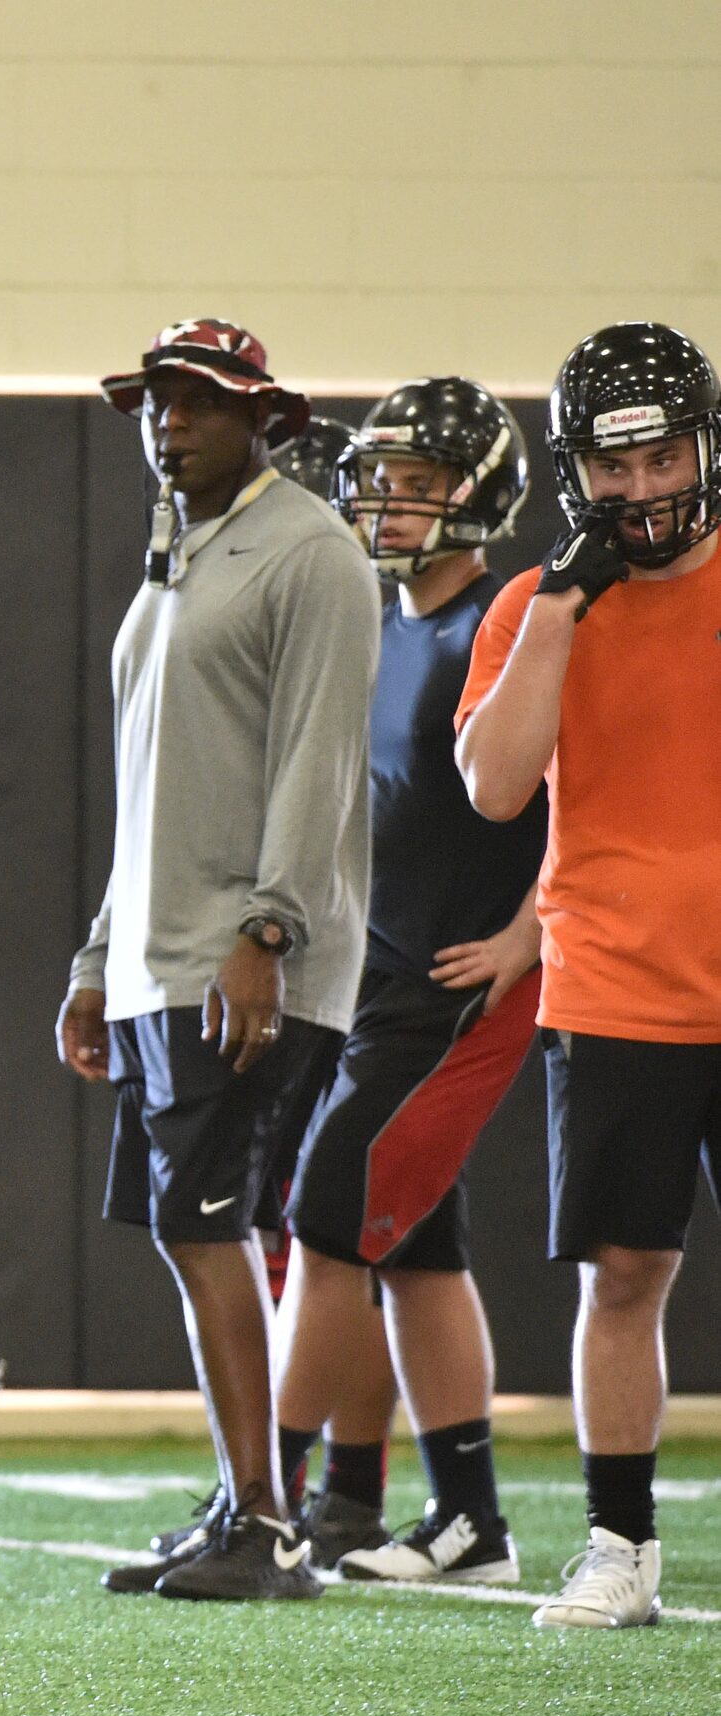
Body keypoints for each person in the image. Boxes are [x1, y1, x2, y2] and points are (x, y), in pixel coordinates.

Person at [60, 319, 381, 1601]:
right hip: (157, 958)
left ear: (266, 419)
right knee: (190, 1236)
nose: (168, 422)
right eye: (155, 402)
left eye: (197, 402)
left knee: (213, 1231)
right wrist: (96, 958)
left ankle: (273, 1524)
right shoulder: (177, 557)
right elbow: (147, 790)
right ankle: (243, 1501)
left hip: (239, 959)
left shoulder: (311, 552)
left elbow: (318, 764)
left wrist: (267, 933)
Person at [456, 320, 721, 1630]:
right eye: (608, 468)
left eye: (657, 456)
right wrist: (560, 607)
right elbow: (493, 785)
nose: (635, 489)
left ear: (698, 448)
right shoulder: (529, 605)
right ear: (572, 473)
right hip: (615, 986)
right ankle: (618, 1542)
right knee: (620, 1275)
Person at [272, 379, 543, 1584]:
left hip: (454, 981)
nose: (388, 502)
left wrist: (528, 937)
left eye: (421, 482)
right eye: (380, 478)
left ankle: (264, 1498)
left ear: (479, 496)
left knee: (330, 1218)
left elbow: (591, 790)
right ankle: (469, 1518)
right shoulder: (381, 622)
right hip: (376, 977)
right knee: (418, 1253)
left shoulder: (511, 614)